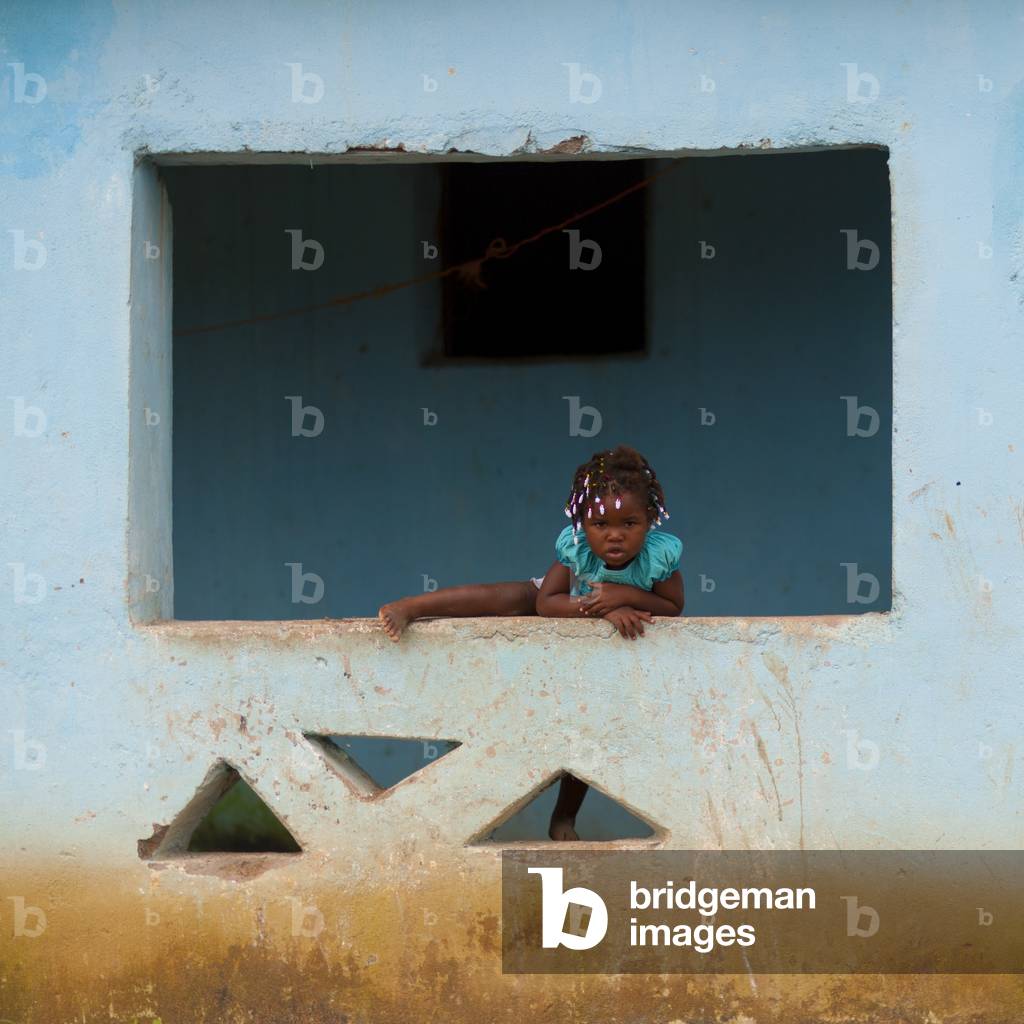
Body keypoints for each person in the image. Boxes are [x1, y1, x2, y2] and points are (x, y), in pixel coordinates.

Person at [378, 444, 685, 840]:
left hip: (598, 662)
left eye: (630, 523)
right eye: (600, 524)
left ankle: (563, 821)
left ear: (649, 522)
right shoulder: (574, 547)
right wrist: (603, 608)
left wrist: (621, 596)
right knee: (510, 597)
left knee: (586, 732)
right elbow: (546, 603)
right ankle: (411, 607)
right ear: (581, 524)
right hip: (566, 605)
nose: (614, 535)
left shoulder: (659, 556)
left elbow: (672, 606)